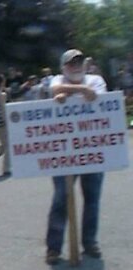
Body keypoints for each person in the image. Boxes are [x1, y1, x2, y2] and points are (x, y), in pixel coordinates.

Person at [45, 49, 107, 265]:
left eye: (79, 62)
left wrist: (68, 93)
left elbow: (96, 96)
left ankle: (89, 242)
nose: (76, 66)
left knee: (92, 200)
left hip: (92, 151)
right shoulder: (56, 79)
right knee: (61, 199)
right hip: (63, 153)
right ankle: (53, 248)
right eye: (71, 63)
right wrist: (79, 90)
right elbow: (56, 89)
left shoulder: (96, 79)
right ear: (63, 67)